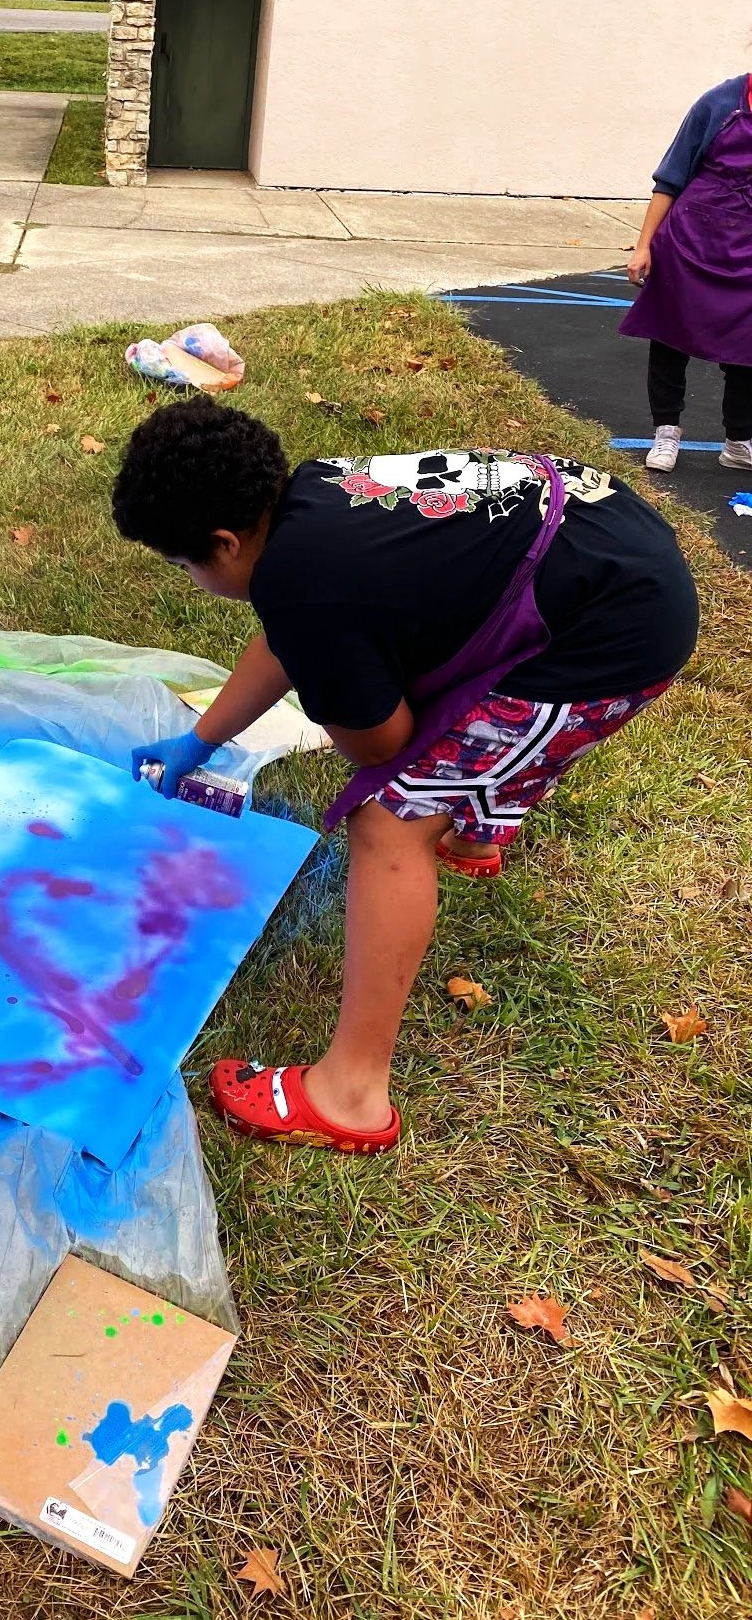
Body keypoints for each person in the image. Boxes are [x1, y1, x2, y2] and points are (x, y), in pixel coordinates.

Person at [112, 401, 699, 1155]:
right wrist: (202, 738)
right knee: (442, 752)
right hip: (606, 545)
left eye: (183, 564)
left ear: (224, 544)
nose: (190, 577)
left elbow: (382, 744)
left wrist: (350, 699)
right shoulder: (312, 499)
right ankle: (478, 829)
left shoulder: (304, 581)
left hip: (613, 630)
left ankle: (350, 1092)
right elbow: (290, 636)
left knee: (390, 818)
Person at [621, 71, 752, 474]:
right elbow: (671, 176)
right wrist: (644, 244)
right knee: (669, 337)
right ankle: (666, 433)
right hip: (689, 238)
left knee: (747, 346)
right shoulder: (718, 103)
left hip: (747, 249)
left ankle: (739, 441)